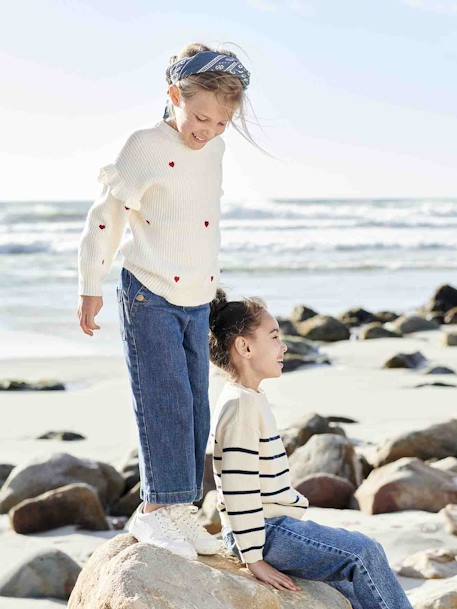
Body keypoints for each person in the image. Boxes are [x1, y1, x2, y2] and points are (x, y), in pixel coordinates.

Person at [77, 43, 252, 561]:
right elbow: (108, 215)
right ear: (175, 95)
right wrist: (90, 282)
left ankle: (182, 513)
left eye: (222, 124)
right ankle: (156, 512)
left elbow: (201, 221)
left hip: (197, 297)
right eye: (201, 117)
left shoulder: (215, 150)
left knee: (196, 407)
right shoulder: (145, 145)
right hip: (148, 291)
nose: (209, 131)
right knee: (165, 402)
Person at [209, 288, 413, 609]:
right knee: (364, 552)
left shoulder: (248, 398)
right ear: (245, 346)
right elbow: (238, 488)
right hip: (266, 533)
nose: (284, 346)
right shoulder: (240, 404)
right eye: (274, 337)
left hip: (275, 527)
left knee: (350, 584)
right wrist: (253, 559)